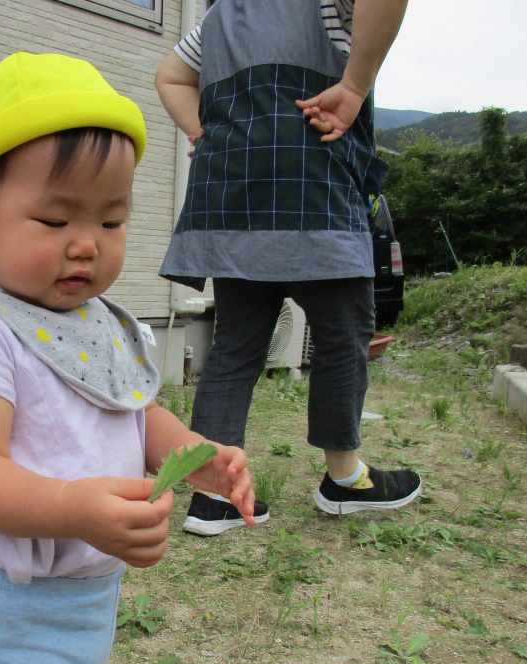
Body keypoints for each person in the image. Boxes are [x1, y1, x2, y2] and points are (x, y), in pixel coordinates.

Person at [0, 52, 257, 664]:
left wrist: (197, 457)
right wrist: (71, 508)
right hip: (10, 618)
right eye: (55, 217)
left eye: (112, 220)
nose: (87, 244)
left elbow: (133, 412)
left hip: (89, 603)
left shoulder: (99, 324)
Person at [155, 0, 421, 536]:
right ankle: (345, 479)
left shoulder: (222, 13)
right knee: (343, 336)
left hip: (236, 201)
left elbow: (170, 76)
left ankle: (214, 495)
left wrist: (205, 133)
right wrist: (354, 85)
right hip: (314, 192)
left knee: (235, 346)